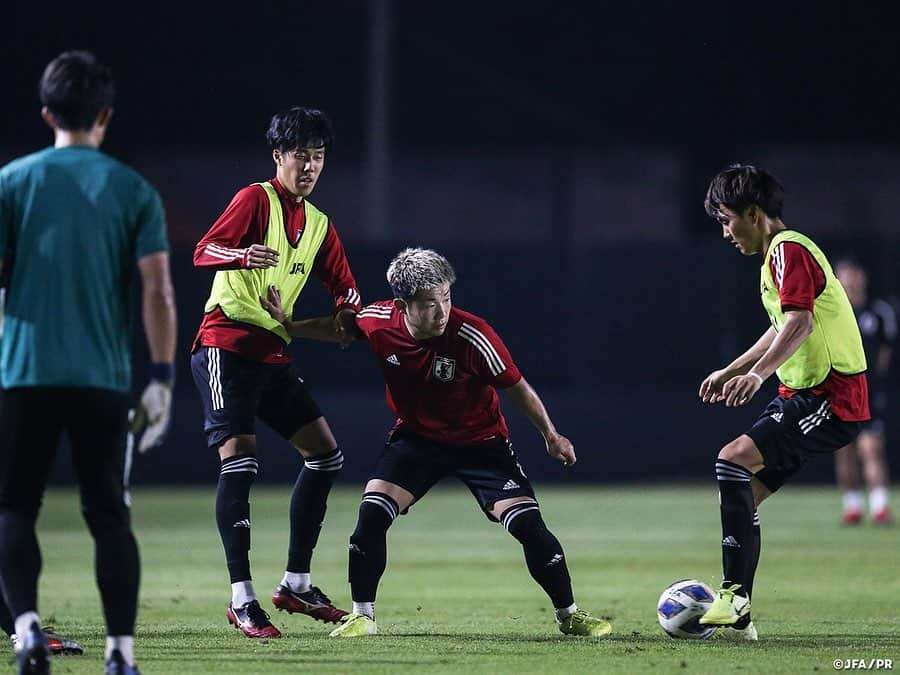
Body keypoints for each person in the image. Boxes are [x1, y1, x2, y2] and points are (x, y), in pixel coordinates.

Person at [260, 247, 612, 639]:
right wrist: (289, 326)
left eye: (446, 298)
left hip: (482, 443)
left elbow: (517, 388)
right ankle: (363, 616)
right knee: (371, 515)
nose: (442, 311)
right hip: (417, 440)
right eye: (429, 304)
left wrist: (551, 434)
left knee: (528, 524)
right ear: (402, 304)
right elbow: (339, 328)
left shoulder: (472, 335)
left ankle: (570, 615)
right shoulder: (380, 320)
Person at [0, 51, 177, 674]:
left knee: (15, 509)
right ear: (105, 115)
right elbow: (157, 291)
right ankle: (121, 655)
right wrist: (160, 378)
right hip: (101, 380)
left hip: (22, 374)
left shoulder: (11, 182)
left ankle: (25, 631)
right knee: (108, 516)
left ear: (47, 112)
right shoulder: (133, 189)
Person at [190, 106, 361, 639]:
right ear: (278, 157)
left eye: (318, 156)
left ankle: (296, 583)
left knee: (326, 456)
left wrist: (349, 311)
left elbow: (346, 289)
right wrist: (242, 256)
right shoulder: (253, 199)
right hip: (225, 343)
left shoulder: (319, 225)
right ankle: (242, 599)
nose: (309, 166)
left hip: (272, 352)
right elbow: (201, 251)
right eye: (300, 156)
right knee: (240, 462)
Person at [698, 164, 869, 641]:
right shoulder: (779, 255)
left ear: (755, 213)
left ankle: (734, 597)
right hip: (803, 393)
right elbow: (780, 324)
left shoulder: (787, 249)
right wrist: (733, 368)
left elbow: (801, 324)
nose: (726, 231)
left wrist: (756, 375)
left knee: (730, 461)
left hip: (829, 394)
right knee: (741, 496)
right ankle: (740, 621)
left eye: (728, 219)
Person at [833, 257, 895, 525]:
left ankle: (880, 506)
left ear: (863, 277)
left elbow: (884, 352)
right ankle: (853, 507)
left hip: (869, 392)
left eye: (854, 274)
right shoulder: (832, 311)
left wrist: (872, 381)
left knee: (872, 448)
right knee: (844, 450)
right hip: (838, 392)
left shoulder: (879, 312)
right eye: (844, 275)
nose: (850, 280)